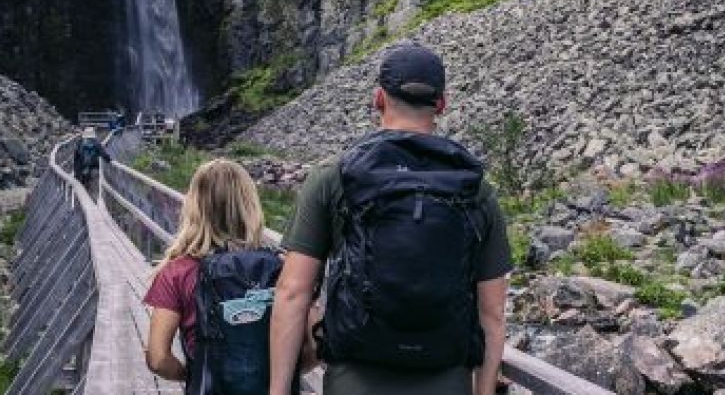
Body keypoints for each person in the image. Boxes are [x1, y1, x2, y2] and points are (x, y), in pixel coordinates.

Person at [268, 42, 513, 395]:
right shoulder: (475, 189)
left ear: (378, 99)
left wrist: (278, 391)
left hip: (354, 378)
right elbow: (492, 315)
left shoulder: (334, 177)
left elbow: (293, 293)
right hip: (445, 378)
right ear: (441, 104)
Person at [143, 160, 300, 394]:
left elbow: (158, 358)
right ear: (250, 205)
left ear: (194, 206)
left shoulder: (177, 272)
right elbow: (313, 348)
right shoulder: (280, 266)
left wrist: (195, 375)